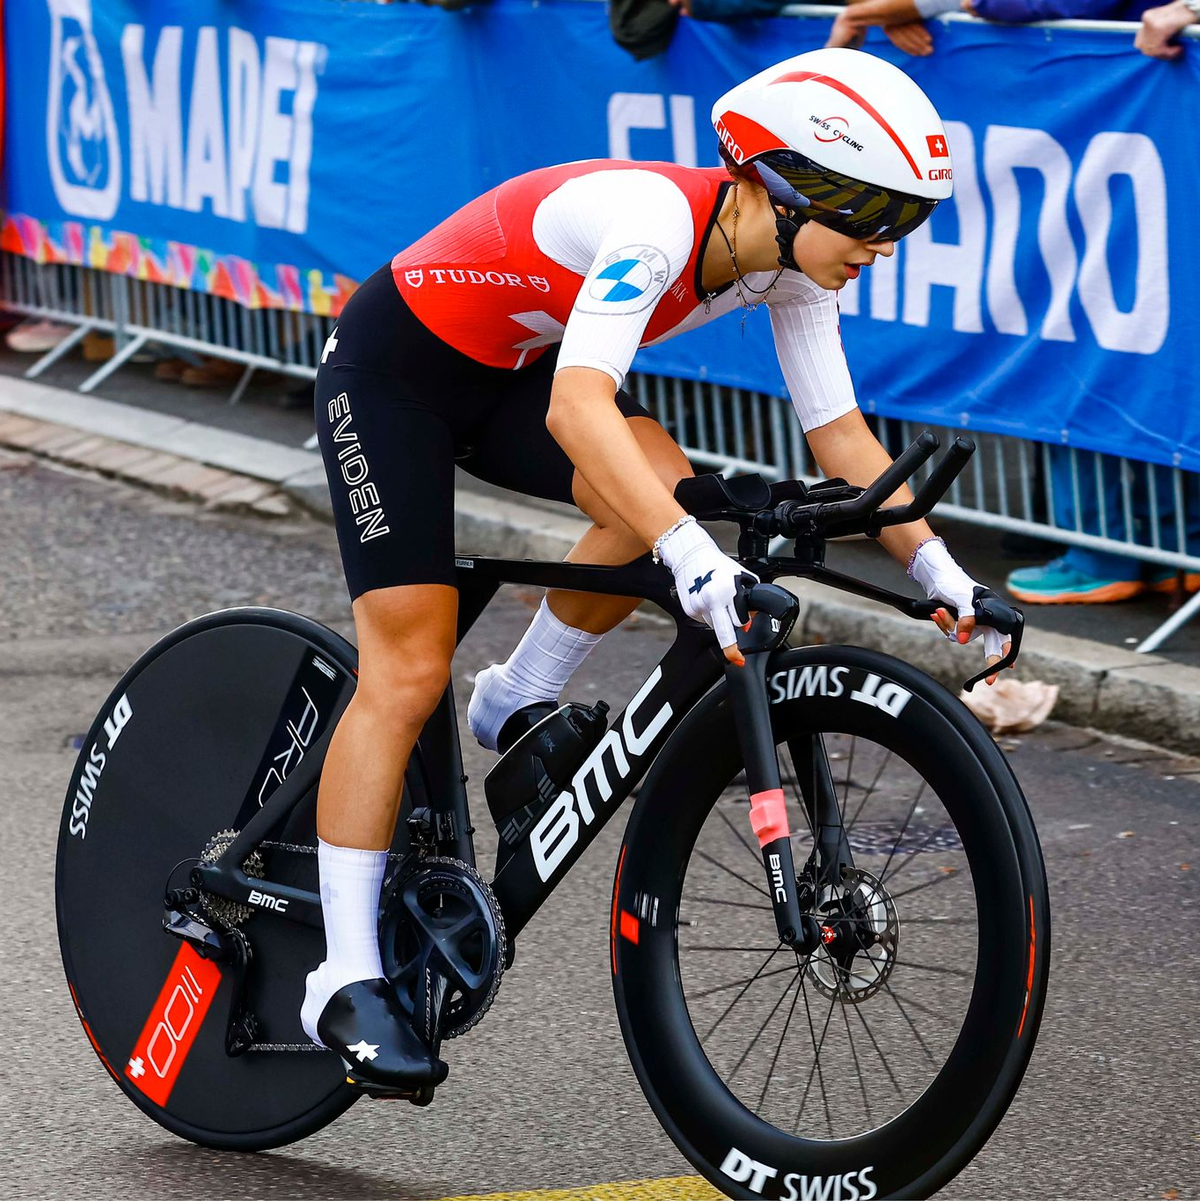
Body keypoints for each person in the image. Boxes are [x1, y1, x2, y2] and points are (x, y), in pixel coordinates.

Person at [308, 47, 1012, 1091]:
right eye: (870, 217)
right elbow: (577, 410)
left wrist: (943, 574)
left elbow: (840, 436)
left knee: (669, 489)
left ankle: (514, 694)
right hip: (393, 376)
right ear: (783, 188)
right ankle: (342, 975)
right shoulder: (658, 225)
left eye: (900, 224)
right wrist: (690, 559)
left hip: (509, 370)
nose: (882, 247)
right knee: (407, 669)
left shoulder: (789, 264)